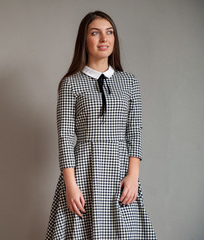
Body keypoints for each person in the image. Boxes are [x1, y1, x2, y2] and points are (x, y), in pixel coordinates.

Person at [45, 10, 157, 239]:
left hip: (120, 173)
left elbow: (134, 131)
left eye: (109, 32)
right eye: (95, 33)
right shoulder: (71, 84)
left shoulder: (129, 82)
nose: (104, 39)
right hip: (84, 172)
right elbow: (65, 136)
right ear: (84, 40)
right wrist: (70, 185)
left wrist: (133, 176)